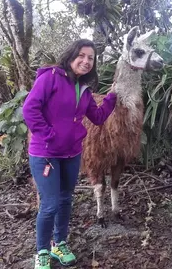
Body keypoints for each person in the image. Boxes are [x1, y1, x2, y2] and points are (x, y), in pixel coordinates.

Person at [22, 39, 117, 269]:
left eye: (91, 58)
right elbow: (29, 109)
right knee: (50, 204)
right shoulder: (50, 77)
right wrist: (48, 134)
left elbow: (98, 117)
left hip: (71, 154)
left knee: (65, 200)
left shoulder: (84, 89)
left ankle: (60, 243)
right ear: (71, 55)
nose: (86, 61)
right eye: (82, 56)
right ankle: (42, 251)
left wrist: (113, 96)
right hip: (45, 153)